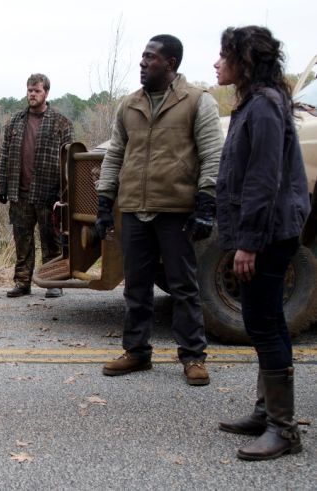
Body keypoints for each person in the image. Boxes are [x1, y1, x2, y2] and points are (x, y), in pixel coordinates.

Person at [95, 34, 223, 385]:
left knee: (183, 286)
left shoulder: (197, 101)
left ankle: (193, 357)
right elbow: (115, 155)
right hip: (135, 208)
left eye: (150, 57)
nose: (142, 62)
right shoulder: (129, 105)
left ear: (170, 63)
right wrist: (104, 202)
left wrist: (206, 203)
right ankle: (136, 352)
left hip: (176, 210)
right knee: (136, 285)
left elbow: (213, 153)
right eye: (142, 56)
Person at [213, 26, 310, 461]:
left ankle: (283, 430)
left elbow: (262, 180)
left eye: (224, 55)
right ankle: (266, 411)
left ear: (245, 61)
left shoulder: (265, 106)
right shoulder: (257, 102)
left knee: (262, 322)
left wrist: (248, 243)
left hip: (269, 234)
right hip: (266, 231)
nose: (217, 63)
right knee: (267, 320)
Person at [0, 73, 74, 299]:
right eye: (29, 90)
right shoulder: (15, 122)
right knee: (23, 241)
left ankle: (53, 282)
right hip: (19, 193)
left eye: (36, 90)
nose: (32, 94)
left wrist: (65, 192)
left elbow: (69, 161)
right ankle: (22, 282)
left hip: (50, 194)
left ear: (46, 92)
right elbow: (4, 155)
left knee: (51, 241)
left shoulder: (61, 123)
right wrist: (1, 185)